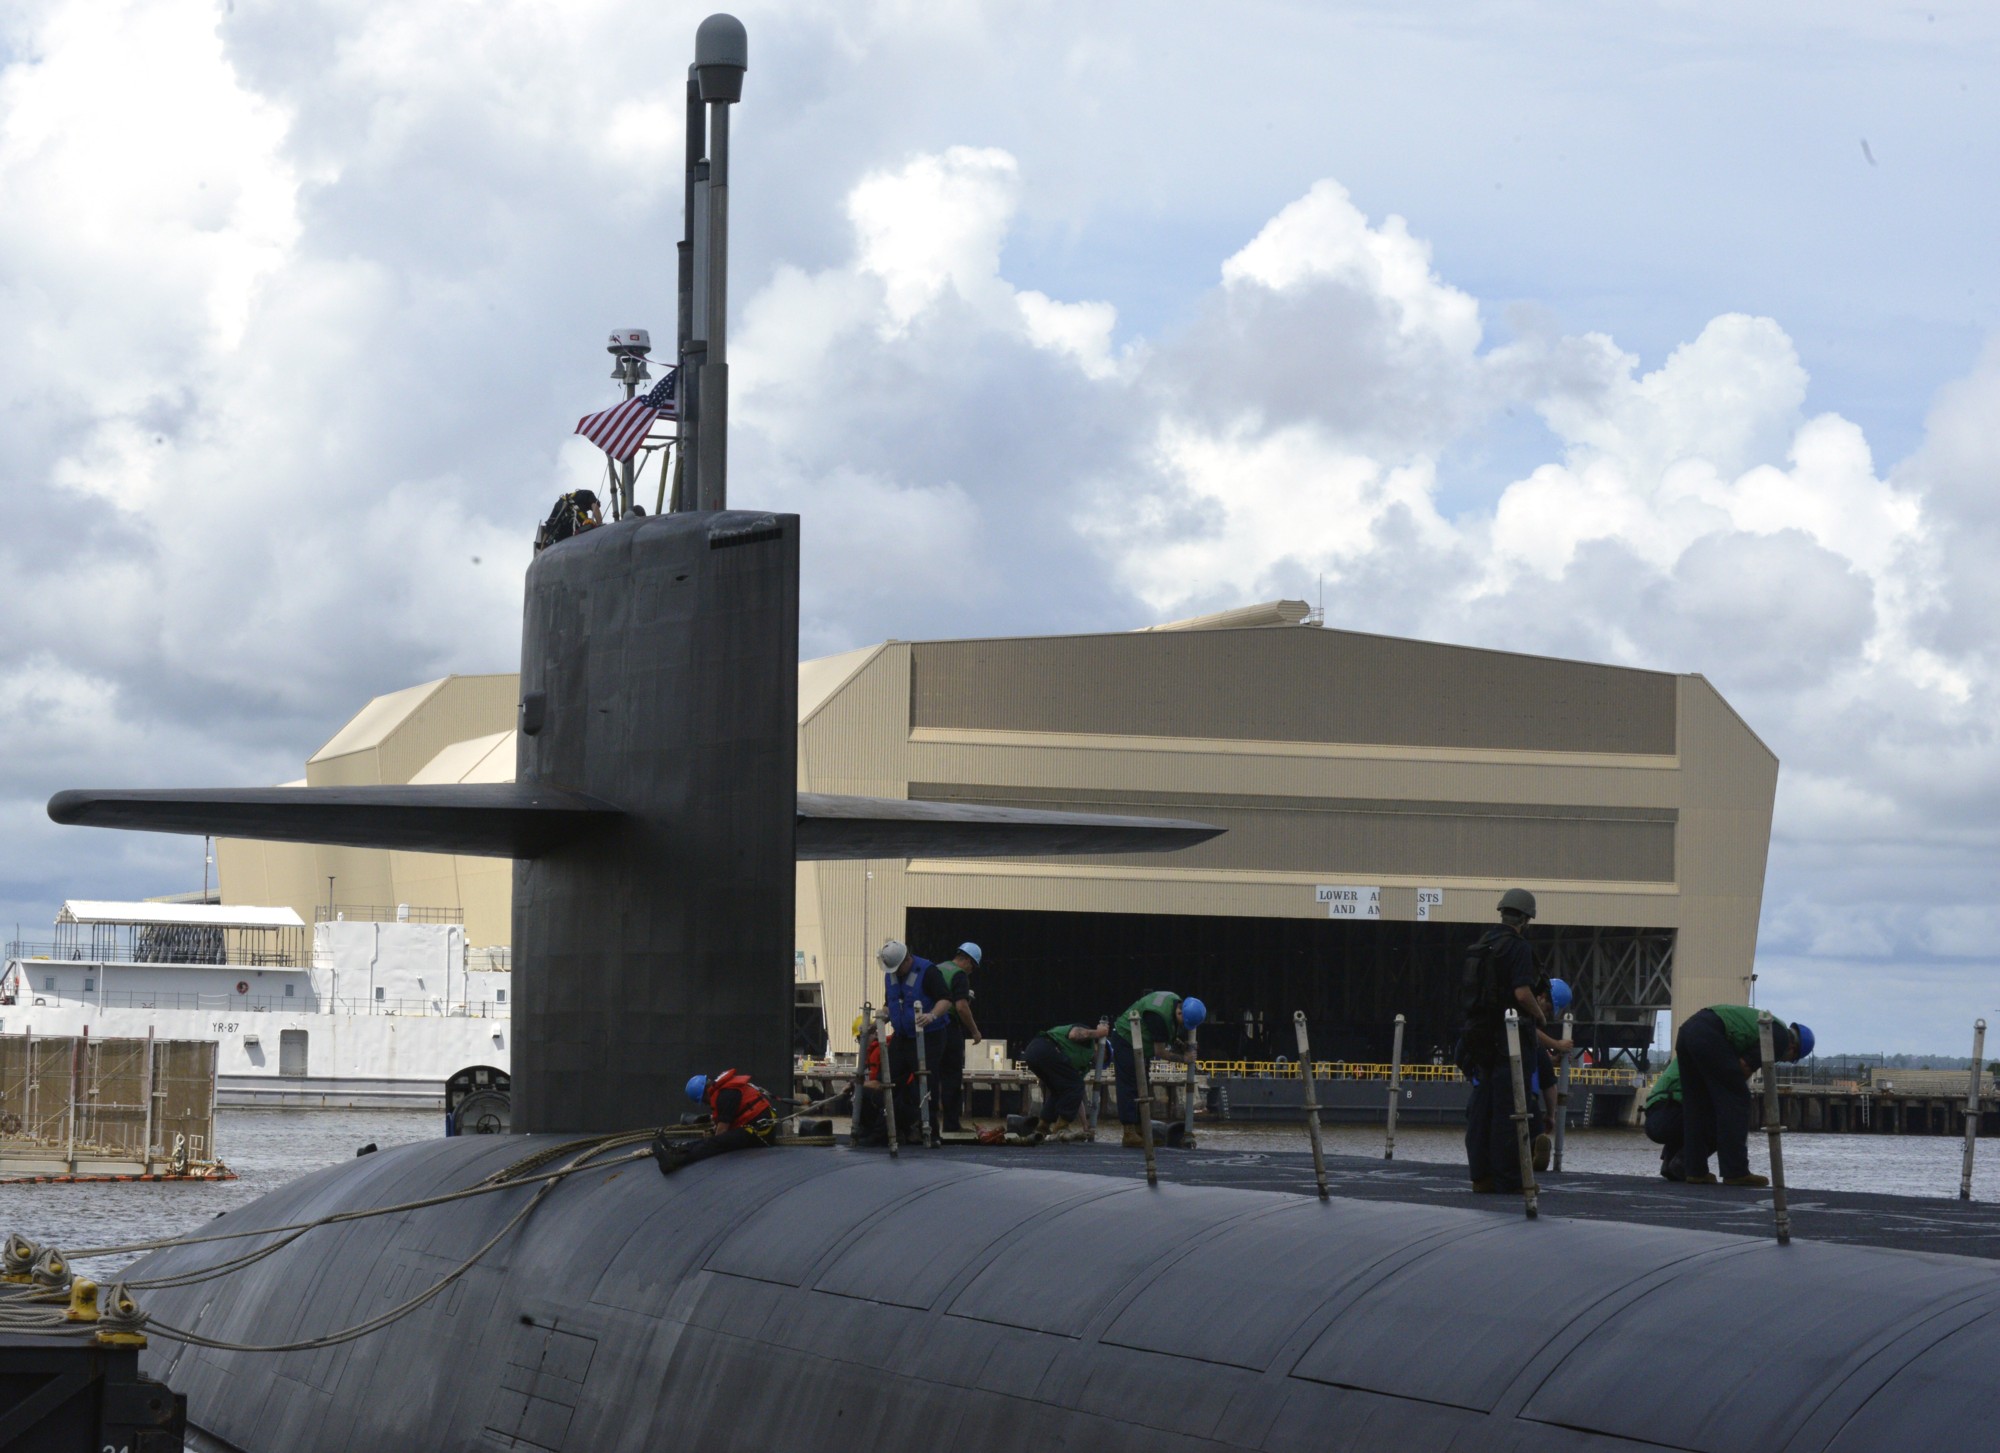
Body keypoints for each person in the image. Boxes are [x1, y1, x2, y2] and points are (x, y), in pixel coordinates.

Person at [1456, 888, 1546, 1193]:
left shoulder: (1482, 944)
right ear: (1525, 919)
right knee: (1511, 1111)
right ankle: (1510, 1180)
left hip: (1479, 1039)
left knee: (1482, 1111)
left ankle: (1481, 1176)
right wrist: (1540, 1016)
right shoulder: (1517, 947)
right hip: (1508, 1040)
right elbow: (1522, 992)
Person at [1677, 1005, 1813, 1186]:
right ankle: (1735, 1172)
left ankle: (1695, 1171)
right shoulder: (1779, 1037)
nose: (1781, 1060)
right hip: (1709, 1033)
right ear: (1793, 1047)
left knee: (1697, 1105)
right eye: (1788, 1058)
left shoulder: (1769, 1026)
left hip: (1687, 1032)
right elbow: (1743, 1067)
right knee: (1737, 1102)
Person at [1110, 991, 1206, 1149]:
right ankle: (1129, 1133)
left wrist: (1182, 1046)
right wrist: (1184, 1058)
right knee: (1129, 1086)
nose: (1182, 1026)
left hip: (1140, 1041)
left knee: (1142, 1086)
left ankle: (1141, 1131)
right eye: (1183, 1022)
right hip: (1126, 1039)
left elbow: (1168, 1034)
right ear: (1180, 1012)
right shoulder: (1159, 1018)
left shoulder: (1174, 1001)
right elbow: (1160, 1052)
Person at [880, 939, 950, 1143]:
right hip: (902, 1036)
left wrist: (931, 1016)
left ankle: (931, 1131)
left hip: (928, 1036)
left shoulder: (928, 971)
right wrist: (882, 1016)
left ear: (907, 960)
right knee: (891, 1080)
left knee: (927, 1081)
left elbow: (945, 999)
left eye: (898, 968)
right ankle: (893, 1128)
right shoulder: (891, 975)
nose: (896, 973)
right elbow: (890, 1003)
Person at [654, 1069, 777, 1174]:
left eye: (704, 1101)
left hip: (761, 1133)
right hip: (754, 1128)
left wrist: (711, 1139)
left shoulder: (725, 1095)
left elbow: (721, 1133)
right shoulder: (726, 1090)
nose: (706, 1104)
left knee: (715, 1142)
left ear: (703, 1096)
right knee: (712, 1141)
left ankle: (677, 1159)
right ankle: (677, 1150)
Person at [1022, 1020, 1109, 1140]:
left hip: (1033, 1053)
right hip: (1046, 1047)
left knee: (1059, 1091)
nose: (1097, 1062)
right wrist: (1099, 1033)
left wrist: (1085, 1125)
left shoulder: (1082, 1064)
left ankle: (1042, 1126)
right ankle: (1061, 1127)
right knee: (1074, 1085)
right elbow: (1074, 1034)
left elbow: (1075, 1096)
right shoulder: (1088, 1040)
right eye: (1102, 1057)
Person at [936, 942, 984, 1133]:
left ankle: (925, 1124)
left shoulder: (937, 968)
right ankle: (951, 1124)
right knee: (951, 1078)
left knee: (928, 1076)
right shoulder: (959, 975)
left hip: (930, 1027)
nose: (971, 971)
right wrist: (975, 1031)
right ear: (967, 960)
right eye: (973, 966)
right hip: (948, 1028)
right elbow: (962, 1007)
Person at [1532, 977, 1575, 1172]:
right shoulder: (1524, 1019)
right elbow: (1549, 1084)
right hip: (1526, 1095)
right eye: (1549, 1009)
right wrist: (1551, 1115)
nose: (1547, 1014)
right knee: (1533, 1134)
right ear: (1541, 997)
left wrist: (1551, 1060)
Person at [1644, 1059, 1685, 1180]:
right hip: (1670, 1114)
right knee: (1720, 1120)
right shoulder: (1716, 1055)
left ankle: (1669, 1162)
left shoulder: (1685, 1054)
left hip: (1654, 1113)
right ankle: (1686, 1164)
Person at [534, 489, 602, 552]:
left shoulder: (560, 503)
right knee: (587, 525)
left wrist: (542, 548)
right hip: (573, 530)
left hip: (562, 536)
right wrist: (600, 525)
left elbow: (549, 526)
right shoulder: (588, 494)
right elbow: (595, 507)